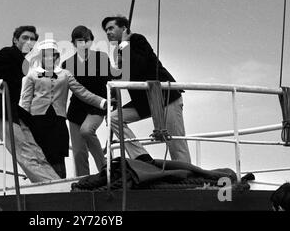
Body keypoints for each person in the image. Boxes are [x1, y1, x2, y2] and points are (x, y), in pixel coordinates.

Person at [0, 26, 61, 183]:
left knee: (35, 149)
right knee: (24, 150)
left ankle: (53, 181)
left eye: (32, 39)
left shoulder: (22, 61)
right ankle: (47, 183)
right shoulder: (8, 53)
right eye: (25, 38)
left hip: (11, 109)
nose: (29, 42)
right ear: (15, 40)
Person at [101, 15, 191, 163]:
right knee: (114, 118)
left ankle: (187, 175)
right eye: (106, 30)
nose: (108, 32)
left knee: (176, 145)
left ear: (123, 29)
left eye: (111, 28)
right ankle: (141, 157)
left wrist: (124, 45)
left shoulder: (137, 40)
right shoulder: (120, 50)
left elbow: (140, 64)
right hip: (145, 101)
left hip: (165, 97)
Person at [19, 39, 107, 178]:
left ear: (56, 56)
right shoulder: (32, 75)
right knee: (40, 153)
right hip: (37, 120)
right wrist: (23, 124)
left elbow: (82, 92)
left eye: (52, 54)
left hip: (58, 120)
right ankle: (41, 184)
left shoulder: (65, 74)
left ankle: (61, 183)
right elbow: (25, 102)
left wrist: (102, 102)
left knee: (58, 153)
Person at [62, 26, 114, 176]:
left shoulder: (101, 57)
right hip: (76, 110)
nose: (83, 44)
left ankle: (105, 170)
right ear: (73, 43)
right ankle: (83, 181)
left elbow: (109, 82)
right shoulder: (67, 64)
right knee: (78, 152)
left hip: (97, 107)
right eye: (80, 41)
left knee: (87, 130)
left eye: (87, 40)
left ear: (91, 41)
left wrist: (112, 103)